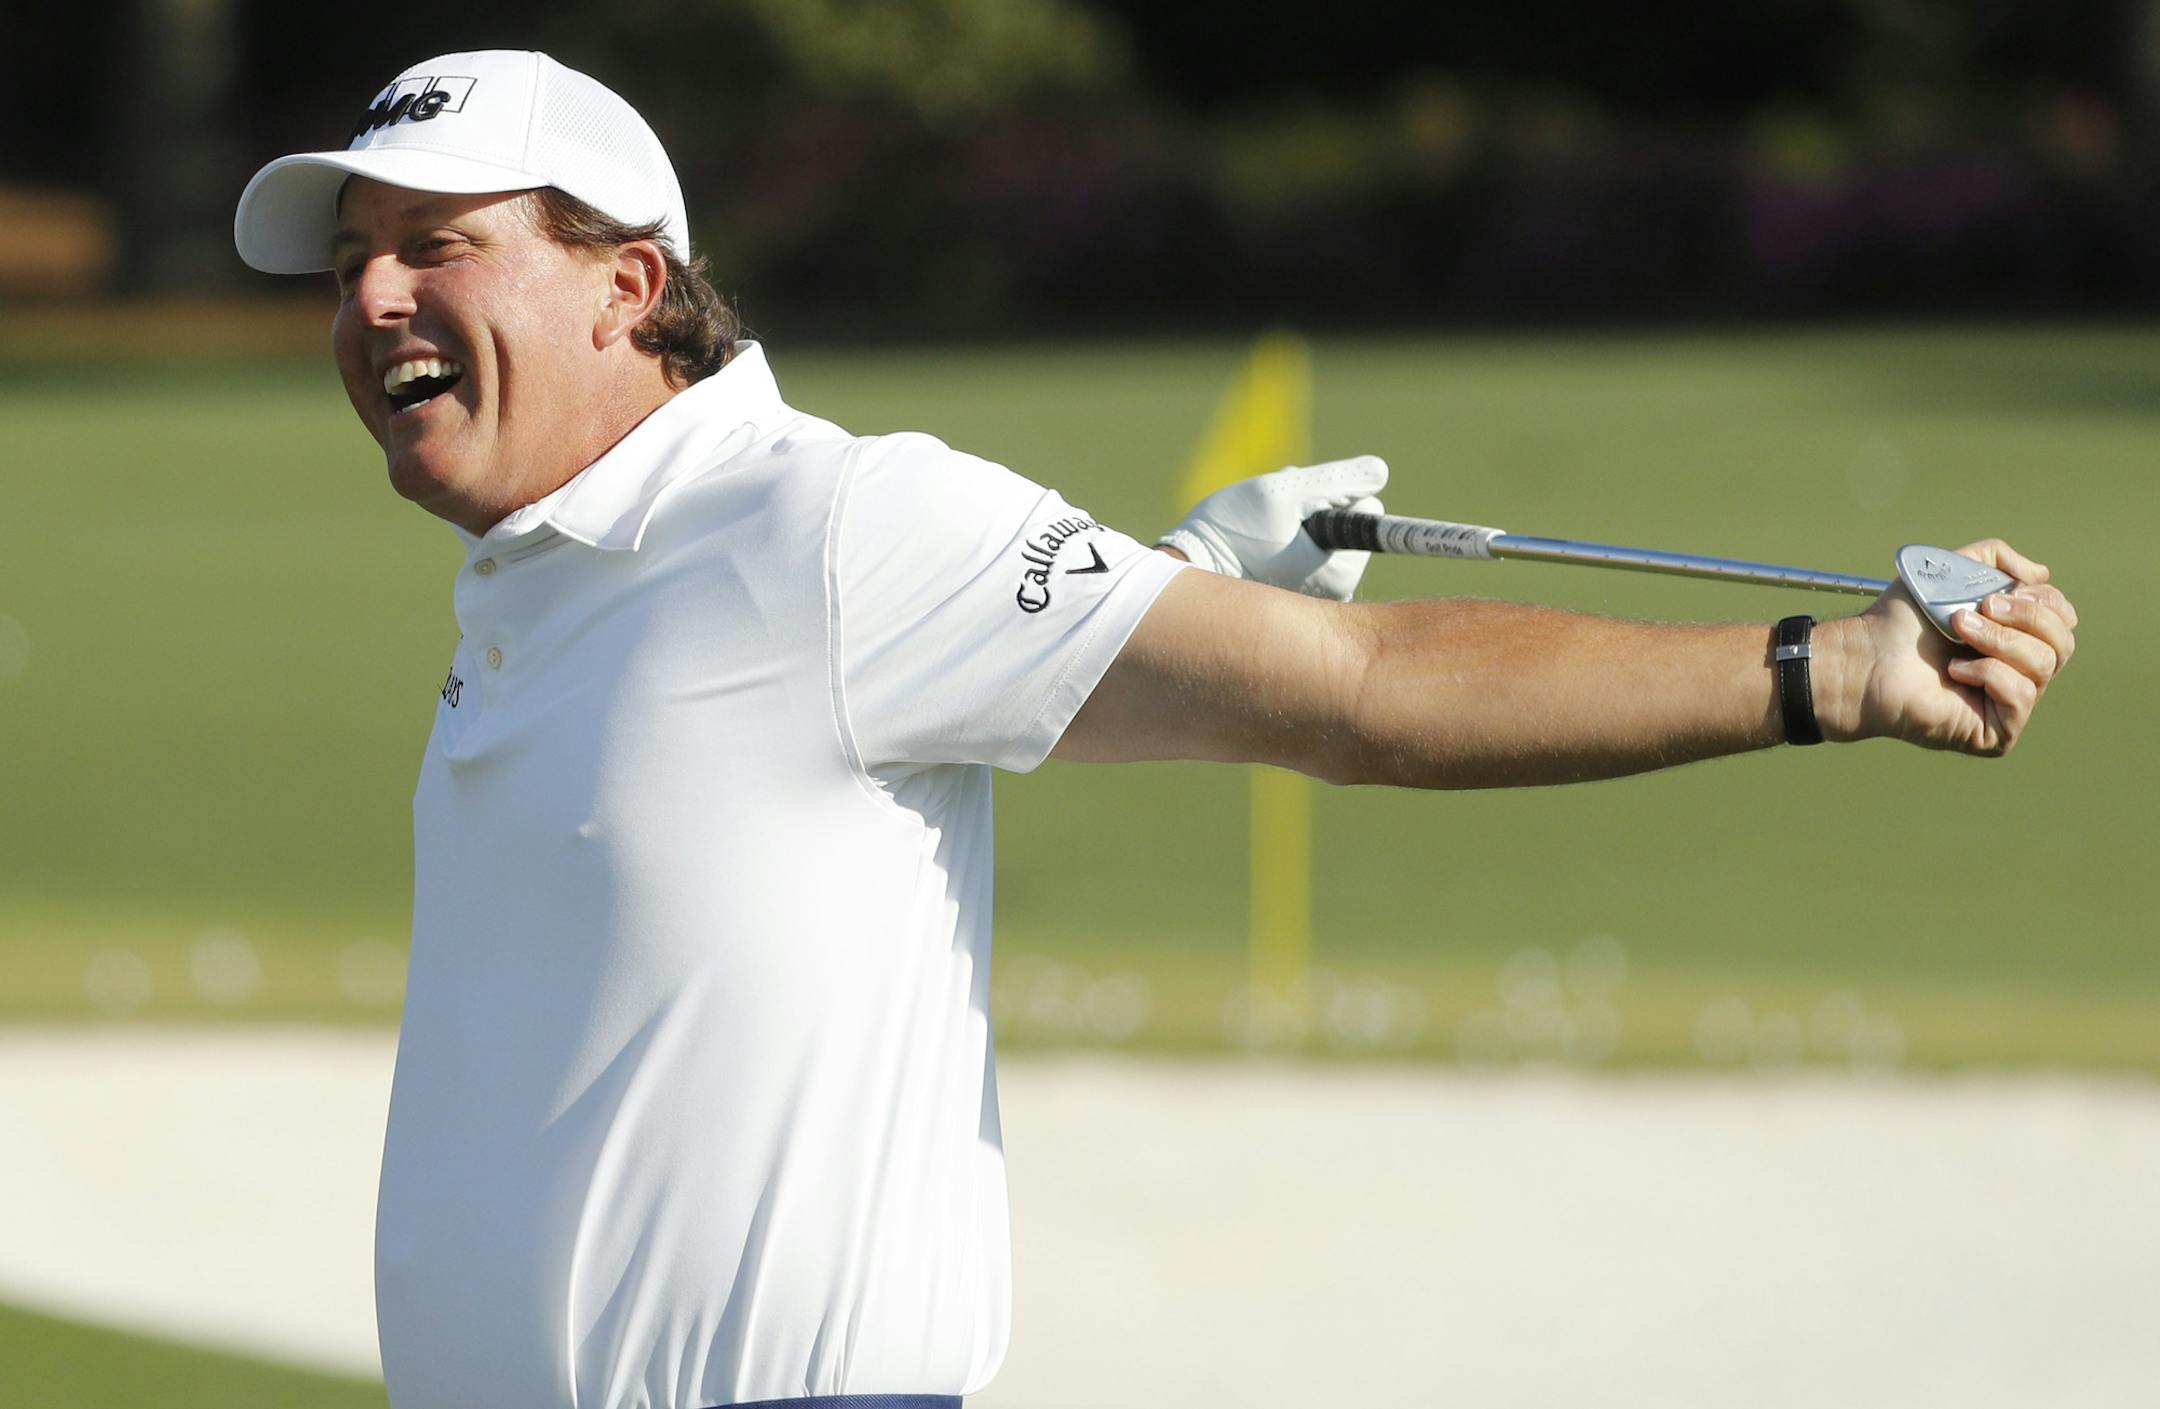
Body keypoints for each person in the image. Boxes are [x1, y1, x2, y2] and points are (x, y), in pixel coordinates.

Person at [233, 49, 2076, 1409]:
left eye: (436, 247)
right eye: (348, 265)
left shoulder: (826, 520)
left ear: (628, 284)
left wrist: (1829, 674)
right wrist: (1182, 576)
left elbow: (1361, 696)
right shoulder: (537, 579)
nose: (373, 299)